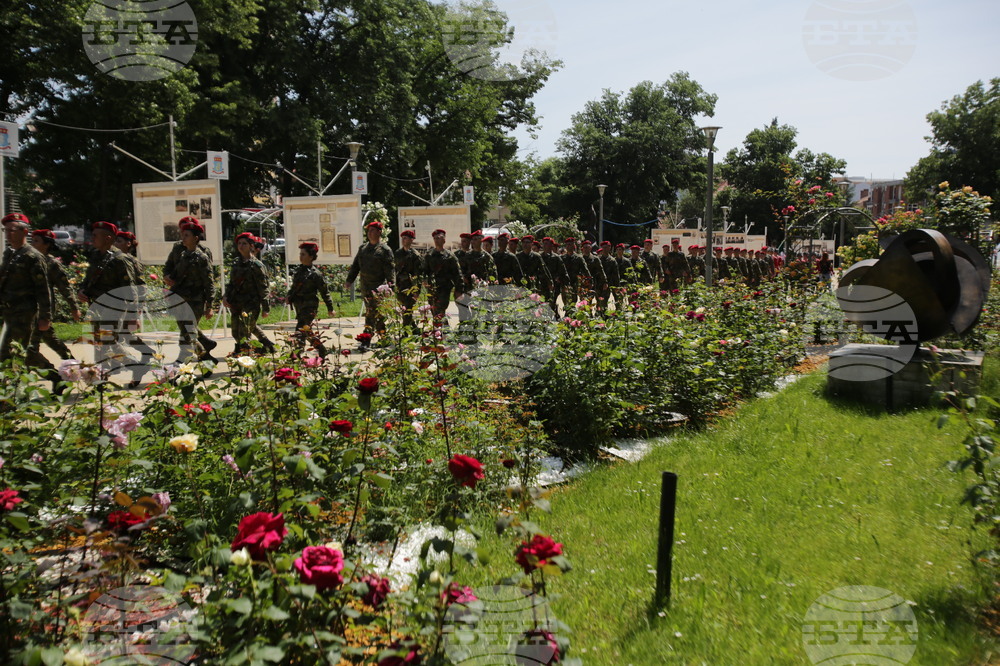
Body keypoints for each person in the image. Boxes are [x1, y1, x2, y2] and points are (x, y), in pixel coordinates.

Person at [0, 213, 58, 391]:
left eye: (12, 230)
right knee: (26, 354)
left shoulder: (33, 256)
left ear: (25, 232)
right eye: (5, 231)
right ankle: (56, 376)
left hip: (23, 313)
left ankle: (11, 396)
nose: (8, 234)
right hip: (7, 310)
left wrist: (45, 317)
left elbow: (43, 289)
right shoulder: (10, 253)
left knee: (10, 354)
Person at [164, 220, 217, 363]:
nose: (183, 237)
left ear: (196, 238)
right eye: (183, 234)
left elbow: (209, 282)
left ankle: (183, 364)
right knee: (187, 333)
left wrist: (210, 305)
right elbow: (174, 271)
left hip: (195, 300)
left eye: (187, 235)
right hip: (179, 298)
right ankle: (206, 359)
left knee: (187, 334)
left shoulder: (202, 257)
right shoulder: (182, 254)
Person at [29, 229, 80, 360]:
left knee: (31, 345)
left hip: (42, 309)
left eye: (36, 241)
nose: (32, 244)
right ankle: (72, 364)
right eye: (32, 240)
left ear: (46, 244)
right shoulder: (29, 260)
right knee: (50, 339)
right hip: (28, 308)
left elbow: (65, 288)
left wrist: (74, 308)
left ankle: (58, 373)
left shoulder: (52, 264)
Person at [345, 220, 395, 348]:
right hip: (365, 287)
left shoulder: (385, 250)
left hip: (378, 288)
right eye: (368, 231)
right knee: (375, 313)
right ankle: (384, 337)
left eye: (372, 230)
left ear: (379, 232)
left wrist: (391, 287)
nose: (369, 233)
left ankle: (366, 339)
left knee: (371, 313)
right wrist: (349, 280)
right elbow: (356, 265)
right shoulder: (363, 249)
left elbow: (390, 270)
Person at [224, 232, 274, 356]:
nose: (241, 246)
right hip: (236, 303)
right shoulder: (236, 263)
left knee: (244, 334)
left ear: (251, 246)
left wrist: (266, 307)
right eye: (239, 243)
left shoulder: (257, 265)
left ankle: (246, 360)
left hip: (251, 304)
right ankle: (264, 346)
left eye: (244, 243)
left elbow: (264, 288)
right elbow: (231, 283)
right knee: (235, 333)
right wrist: (225, 296)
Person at [288, 242, 334, 356]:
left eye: (303, 254)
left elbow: (324, 291)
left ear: (311, 256)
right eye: (300, 254)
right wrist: (289, 296)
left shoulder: (315, 274)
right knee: (307, 331)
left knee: (301, 329)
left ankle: (296, 354)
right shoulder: (299, 271)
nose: (300, 257)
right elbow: (294, 287)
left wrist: (330, 308)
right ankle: (321, 348)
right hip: (299, 305)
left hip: (309, 306)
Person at [422, 228, 463, 327]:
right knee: (434, 310)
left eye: (439, 238)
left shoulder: (450, 256)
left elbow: (457, 273)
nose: (437, 240)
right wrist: (424, 281)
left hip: (444, 288)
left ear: (444, 240)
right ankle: (442, 331)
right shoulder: (429, 255)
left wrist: (459, 289)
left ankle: (441, 332)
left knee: (440, 309)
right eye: (435, 238)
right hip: (432, 288)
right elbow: (424, 270)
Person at [394, 229, 423, 333]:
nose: (403, 240)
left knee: (407, 309)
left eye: (406, 238)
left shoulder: (415, 255)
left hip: (410, 287)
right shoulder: (398, 253)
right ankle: (415, 329)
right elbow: (395, 269)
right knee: (404, 309)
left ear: (411, 240)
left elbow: (418, 275)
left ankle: (405, 333)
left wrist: (416, 291)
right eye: (402, 238)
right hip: (400, 286)